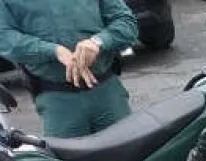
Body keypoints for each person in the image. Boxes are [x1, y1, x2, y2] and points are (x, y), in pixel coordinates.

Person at [0, 0, 137, 138]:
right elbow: (4, 38)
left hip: (107, 92)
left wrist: (98, 42)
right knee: (67, 151)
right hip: (57, 100)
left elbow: (126, 22)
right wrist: (53, 51)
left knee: (129, 146)